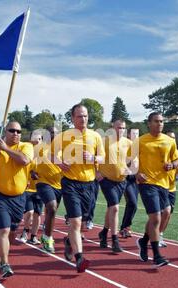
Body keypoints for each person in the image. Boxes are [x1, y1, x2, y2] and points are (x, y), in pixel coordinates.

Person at [51, 103, 105, 272]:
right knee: (75, 220)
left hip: (89, 185)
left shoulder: (95, 136)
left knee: (82, 222)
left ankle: (68, 241)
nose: (83, 119)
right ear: (73, 118)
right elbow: (51, 154)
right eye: (80, 116)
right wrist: (60, 163)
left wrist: (93, 157)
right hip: (70, 183)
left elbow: (103, 158)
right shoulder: (64, 136)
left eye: (85, 116)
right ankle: (79, 258)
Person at [0, 122, 34, 278]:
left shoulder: (26, 147)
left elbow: (24, 161)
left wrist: (5, 149)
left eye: (19, 131)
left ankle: (4, 255)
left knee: (12, 231)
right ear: (5, 132)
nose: (16, 133)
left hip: (19, 197)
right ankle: (4, 263)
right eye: (12, 131)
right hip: (0, 196)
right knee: (4, 230)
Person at [133, 112, 178, 268]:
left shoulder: (169, 141)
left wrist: (172, 165)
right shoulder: (140, 141)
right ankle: (157, 256)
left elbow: (177, 158)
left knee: (166, 212)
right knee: (156, 217)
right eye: (156, 121)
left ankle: (144, 240)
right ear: (149, 123)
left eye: (161, 121)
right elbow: (128, 161)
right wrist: (137, 173)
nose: (160, 124)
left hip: (164, 184)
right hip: (146, 183)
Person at [97, 119, 132, 253]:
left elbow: (133, 160)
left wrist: (131, 169)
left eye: (123, 128)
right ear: (112, 127)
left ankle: (104, 233)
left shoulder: (128, 143)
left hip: (121, 181)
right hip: (106, 179)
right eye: (118, 128)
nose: (121, 130)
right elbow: (95, 156)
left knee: (111, 208)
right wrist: (97, 172)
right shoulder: (104, 141)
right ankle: (115, 240)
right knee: (115, 208)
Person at [34, 126, 63, 253]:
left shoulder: (63, 150)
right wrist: (31, 171)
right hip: (43, 182)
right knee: (51, 206)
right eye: (51, 133)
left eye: (57, 133)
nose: (54, 135)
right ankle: (48, 238)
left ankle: (45, 234)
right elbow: (30, 161)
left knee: (52, 212)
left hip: (59, 185)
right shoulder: (39, 148)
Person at [158, 131, 178, 248]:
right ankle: (155, 235)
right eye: (170, 138)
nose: (172, 140)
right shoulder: (161, 152)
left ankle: (159, 233)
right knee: (162, 212)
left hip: (172, 188)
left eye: (174, 138)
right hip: (160, 186)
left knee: (168, 213)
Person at [21, 133, 44, 245]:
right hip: (28, 188)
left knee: (37, 214)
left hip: (40, 189)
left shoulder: (44, 154)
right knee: (29, 212)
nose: (37, 141)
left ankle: (33, 236)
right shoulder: (27, 151)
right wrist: (31, 173)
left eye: (40, 139)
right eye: (35, 138)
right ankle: (25, 231)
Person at [119, 129, 139, 238]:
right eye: (133, 135)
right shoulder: (124, 147)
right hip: (125, 178)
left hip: (135, 179)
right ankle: (124, 227)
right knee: (132, 202)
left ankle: (125, 227)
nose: (135, 137)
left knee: (133, 205)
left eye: (136, 135)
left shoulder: (139, 148)